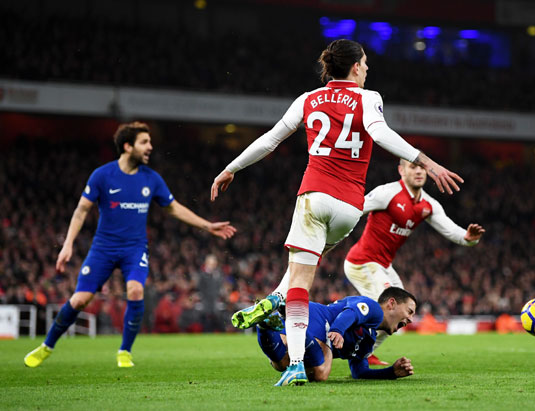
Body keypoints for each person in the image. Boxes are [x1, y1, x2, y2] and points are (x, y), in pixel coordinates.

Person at [210, 39, 463, 386]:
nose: (367, 70)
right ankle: (275, 299)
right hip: (349, 208)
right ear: (356, 67)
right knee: (305, 265)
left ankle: (295, 357)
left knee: (301, 280)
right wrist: (428, 162)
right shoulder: (368, 97)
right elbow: (379, 132)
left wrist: (231, 168)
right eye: (366, 65)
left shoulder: (308, 99)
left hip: (315, 197)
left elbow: (270, 140)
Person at [24, 122, 236, 368]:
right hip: (103, 248)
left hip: (134, 249)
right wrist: (68, 244)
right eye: (144, 142)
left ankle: (125, 351)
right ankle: (46, 346)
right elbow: (82, 210)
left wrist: (207, 226)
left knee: (135, 290)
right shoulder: (102, 175)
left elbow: (173, 208)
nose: (150, 147)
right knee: (80, 300)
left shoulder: (152, 179)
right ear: (127, 146)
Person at [343, 159, 485, 365]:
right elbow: (355, 209)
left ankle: (363, 353)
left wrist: (469, 238)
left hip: (383, 265)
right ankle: (343, 338)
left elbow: (453, 231)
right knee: (391, 309)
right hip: (362, 262)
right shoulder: (387, 193)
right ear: (401, 170)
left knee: (402, 314)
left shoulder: (428, 204)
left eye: (422, 167)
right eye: (413, 167)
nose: (418, 171)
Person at [256, 287, 416, 383]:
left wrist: (391, 372)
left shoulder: (369, 340)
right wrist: (337, 330)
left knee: (282, 363)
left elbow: (359, 372)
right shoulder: (373, 308)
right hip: (319, 318)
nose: (410, 319)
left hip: (310, 319)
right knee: (321, 371)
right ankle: (288, 323)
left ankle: (266, 325)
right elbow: (351, 312)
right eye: (409, 312)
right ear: (391, 303)